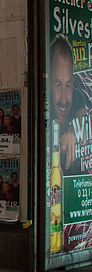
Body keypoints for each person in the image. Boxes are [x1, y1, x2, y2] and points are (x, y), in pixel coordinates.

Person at [50, 34, 88, 173]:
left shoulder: (76, 95)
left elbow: (82, 111)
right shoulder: (40, 105)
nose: (64, 100)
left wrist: (74, 129)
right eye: (59, 85)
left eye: (68, 85)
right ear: (49, 83)